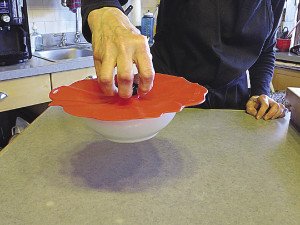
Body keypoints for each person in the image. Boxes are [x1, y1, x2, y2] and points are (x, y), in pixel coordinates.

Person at [81, 0, 287, 120]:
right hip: (168, 99)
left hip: (233, 106)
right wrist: (104, 9)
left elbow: (266, 47)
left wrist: (261, 93)